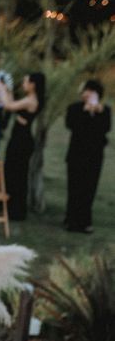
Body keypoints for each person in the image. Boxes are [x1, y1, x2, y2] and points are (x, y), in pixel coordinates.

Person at [64, 79, 111, 234]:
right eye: (84, 91)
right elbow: (71, 125)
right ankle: (71, 220)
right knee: (74, 187)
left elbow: (105, 129)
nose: (85, 94)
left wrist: (96, 112)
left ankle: (84, 221)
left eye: (89, 92)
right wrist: (86, 111)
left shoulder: (105, 111)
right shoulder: (75, 108)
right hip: (76, 154)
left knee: (89, 188)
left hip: (94, 156)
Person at [0, 72, 44, 221]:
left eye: (25, 82)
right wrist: (8, 90)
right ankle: (8, 206)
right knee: (11, 171)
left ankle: (16, 210)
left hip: (22, 141)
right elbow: (13, 105)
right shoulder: (28, 98)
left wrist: (1, 89)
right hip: (18, 138)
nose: (23, 84)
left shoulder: (31, 100)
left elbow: (8, 106)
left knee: (17, 173)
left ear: (33, 84)